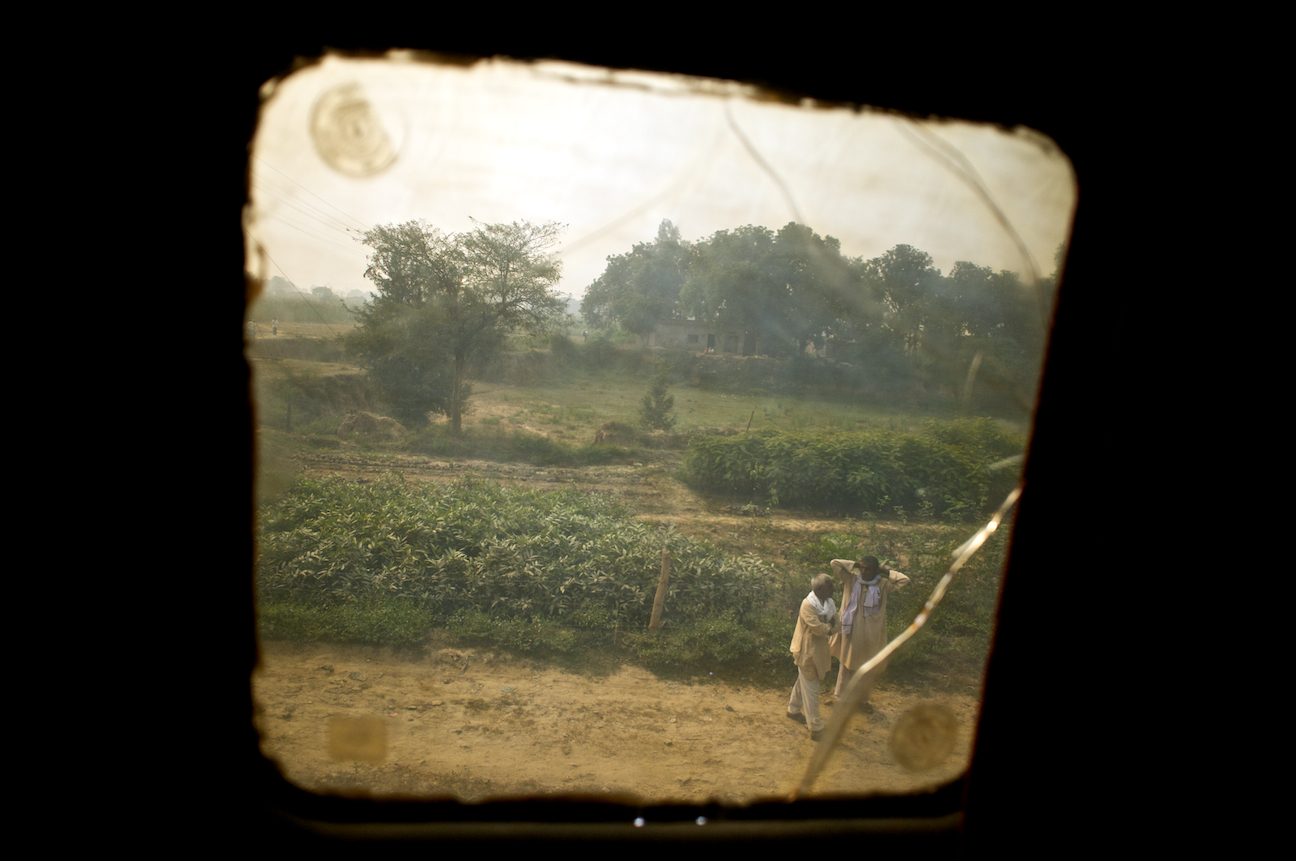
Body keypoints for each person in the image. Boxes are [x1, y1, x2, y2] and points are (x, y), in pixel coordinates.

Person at [829, 556, 910, 710]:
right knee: (846, 664)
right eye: (862, 568)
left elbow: (904, 580)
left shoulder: (882, 584)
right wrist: (856, 564)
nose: (864, 571)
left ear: (875, 571)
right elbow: (835, 563)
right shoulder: (851, 579)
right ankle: (841, 698)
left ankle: (863, 701)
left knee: (867, 666)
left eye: (868, 569)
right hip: (851, 630)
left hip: (872, 633)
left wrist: (884, 571)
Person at [787, 573, 840, 741]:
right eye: (830, 586)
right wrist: (830, 627)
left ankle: (793, 710)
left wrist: (829, 627)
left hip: (819, 650)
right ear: (819, 589)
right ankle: (816, 728)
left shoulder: (829, 603)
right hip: (807, 652)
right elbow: (818, 629)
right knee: (812, 688)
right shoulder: (807, 605)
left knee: (804, 681)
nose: (833, 589)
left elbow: (837, 624)